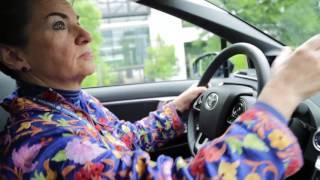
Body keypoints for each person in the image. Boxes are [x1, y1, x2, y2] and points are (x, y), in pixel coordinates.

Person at [0, 0, 319, 179]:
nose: (85, 34)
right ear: (15, 55)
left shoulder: (65, 106)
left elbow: (124, 138)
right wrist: (283, 94)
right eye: (59, 25)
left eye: (77, 20)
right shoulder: (44, 146)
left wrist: (177, 109)